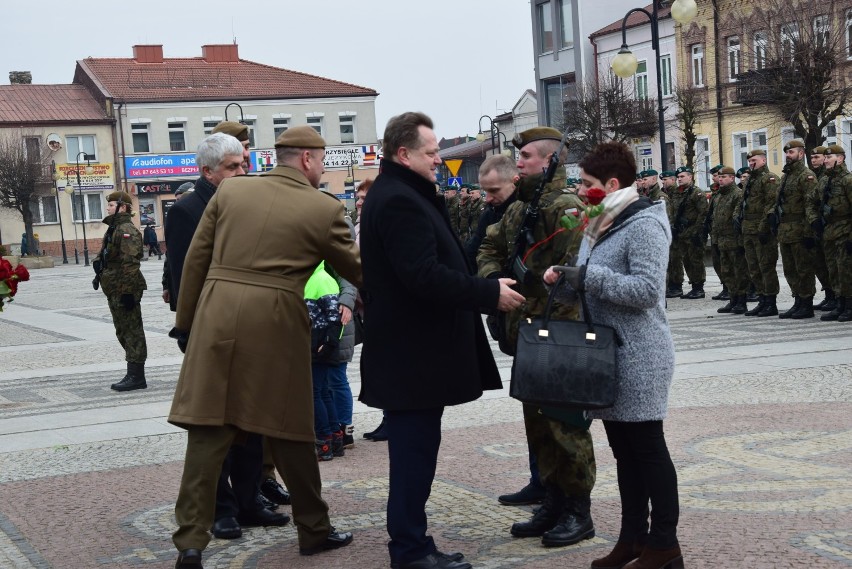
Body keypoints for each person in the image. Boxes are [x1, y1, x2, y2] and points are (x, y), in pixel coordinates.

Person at [168, 126, 360, 569]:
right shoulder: (323, 207)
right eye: (323, 160)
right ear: (308, 160)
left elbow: (195, 260)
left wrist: (188, 324)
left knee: (208, 432)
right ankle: (314, 530)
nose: (324, 167)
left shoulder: (231, 194)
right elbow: (357, 269)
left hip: (216, 317)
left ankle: (191, 543)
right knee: (291, 430)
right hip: (276, 322)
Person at [358, 111, 523, 569]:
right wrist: (488, 292)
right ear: (403, 153)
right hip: (413, 357)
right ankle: (409, 551)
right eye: (431, 153)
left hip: (414, 355)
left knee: (416, 454)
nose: (438, 160)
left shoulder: (402, 192)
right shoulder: (398, 200)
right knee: (413, 459)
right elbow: (422, 276)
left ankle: (412, 544)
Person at [543, 141, 682, 569]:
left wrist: (587, 276)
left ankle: (664, 546)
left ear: (613, 184)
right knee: (624, 453)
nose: (580, 191)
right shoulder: (601, 222)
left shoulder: (644, 224)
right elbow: (591, 281)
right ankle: (632, 538)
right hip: (608, 355)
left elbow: (644, 291)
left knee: (648, 451)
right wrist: (564, 280)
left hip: (640, 355)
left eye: (586, 184)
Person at [478, 127, 596, 548]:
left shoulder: (567, 208)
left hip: (558, 333)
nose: (520, 162)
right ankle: (552, 498)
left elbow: (576, 270)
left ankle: (578, 510)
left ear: (548, 162)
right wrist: (494, 279)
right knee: (538, 425)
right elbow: (489, 248)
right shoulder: (517, 210)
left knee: (566, 425)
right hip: (527, 331)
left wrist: (543, 299)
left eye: (526, 156)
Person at [165, 134, 286, 543]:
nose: (243, 172)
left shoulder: (250, 201)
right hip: (210, 329)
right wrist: (192, 328)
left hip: (251, 328)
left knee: (250, 420)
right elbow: (185, 274)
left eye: (245, 164)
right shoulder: (186, 210)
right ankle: (222, 511)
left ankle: (250, 500)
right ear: (208, 172)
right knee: (213, 424)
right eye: (234, 167)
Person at [97, 191, 148, 392]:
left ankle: (136, 376)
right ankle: (133, 372)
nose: (108, 208)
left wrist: (128, 292)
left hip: (124, 289)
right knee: (122, 331)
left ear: (123, 207)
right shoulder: (115, 228)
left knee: (132, 331)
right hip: (115, 287)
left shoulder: (126, 230)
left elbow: (130, 263)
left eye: (111, 205)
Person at [775, 140, 820, 319]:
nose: (788, 155)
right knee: (790, 269)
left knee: (804, 268)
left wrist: (809, 232)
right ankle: (797, 301)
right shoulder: (786, 176)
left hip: (800, 230)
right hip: (785, 230)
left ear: (801, 154)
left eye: (791, 152)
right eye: (786, 152)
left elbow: (811, 204)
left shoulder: (806, 176)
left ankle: (806, 303)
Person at [735, 149, 780, 317]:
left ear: (763, 160)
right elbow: (742, 203)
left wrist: (763, 228)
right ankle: (762, 299)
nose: (751, 163)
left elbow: (771, 205)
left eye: (754, 160)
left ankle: (770, 301)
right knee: (753, 267)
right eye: (750, 161)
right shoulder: (750, 181)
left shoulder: (769, 179)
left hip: (762, 231)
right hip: (748, 229)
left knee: (766, 266)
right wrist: (737, 219)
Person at [816, 144, 852, 322]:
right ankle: (839, 303)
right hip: (829, 231)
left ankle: (849, 305)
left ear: (841, 158)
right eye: (826, 157)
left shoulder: (848, 180)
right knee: (833, 269)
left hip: (845, 230)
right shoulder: (824, 180)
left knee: (846, 269)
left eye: (829, 157)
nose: (826, 160)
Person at [463, 155, 518, 268]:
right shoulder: (490, 213)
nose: (488, 198)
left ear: (515, 182)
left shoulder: (530, 209)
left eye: (494, 190)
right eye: (485, 191)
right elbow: (474, 250)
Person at [712, 167, 749, 314]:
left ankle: (741, 301)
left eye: (724, 177)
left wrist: (740, 241)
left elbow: (738, 218)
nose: (720, 179)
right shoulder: (719, 196)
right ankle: (733, 299)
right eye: (719, 177)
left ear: (732, 178)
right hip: (721, 240)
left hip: (734, 240)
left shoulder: (737, 194)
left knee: (739, 271)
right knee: (726, 271)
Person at [669, 166, 708, 299]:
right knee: (686, 260)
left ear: (690, 177)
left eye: (682, 177)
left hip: (693, 232)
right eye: (678, 177)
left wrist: (698, 232)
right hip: (681, 233)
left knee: (695, 260)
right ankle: (693, 286)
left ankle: (699, 288)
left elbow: (703, 214)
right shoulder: (676, 193)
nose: (679, 179)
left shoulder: (697, 193)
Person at [809, 146, 838, 312]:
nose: (814, 160)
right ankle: (829, 294)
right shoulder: (818, 177)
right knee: (820, 264)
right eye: (813, 158)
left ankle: (836, 296)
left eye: (817, 157)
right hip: (818, 227)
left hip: (833, 226)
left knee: (832, 264)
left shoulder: (829, 176)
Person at [162, 181, 194, 309]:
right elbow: (169, 258)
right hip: (177, 286)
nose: (179, 204)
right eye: (176, 200)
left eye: (181, 199)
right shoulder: (176, 221)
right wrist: (166, 286)